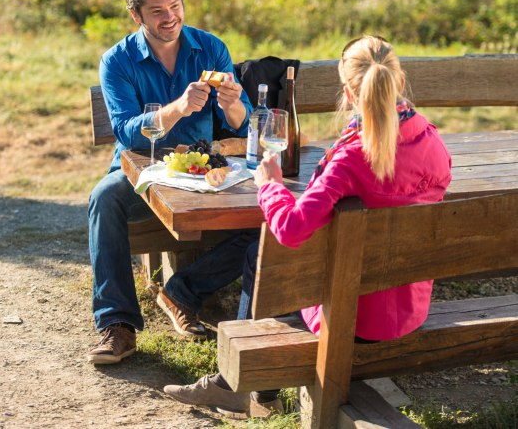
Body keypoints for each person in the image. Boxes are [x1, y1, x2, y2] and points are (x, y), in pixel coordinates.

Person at [163, 35, 452, 419]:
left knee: (262, 255)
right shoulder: (432, 141)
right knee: (269, 256)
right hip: (408, 308)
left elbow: (290, 230)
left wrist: (270, 186)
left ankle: (244, 386)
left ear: (348, 94)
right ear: (398, 83)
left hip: (355, 314)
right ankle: (247, 384)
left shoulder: (353, 158)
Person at [87, 0, 255, 364]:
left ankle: (183, 291)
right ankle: (118, 325)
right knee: (103, 199)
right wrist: (177, 109)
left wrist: (232, 104)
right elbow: (127, 131)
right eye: (158, 11)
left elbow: (243, 121)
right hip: (145, 167)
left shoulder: (210, 47)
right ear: (137, 15)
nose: (170, 17)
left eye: (175, 5)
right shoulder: (117, 61)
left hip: (204, 166)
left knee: (269, 212)